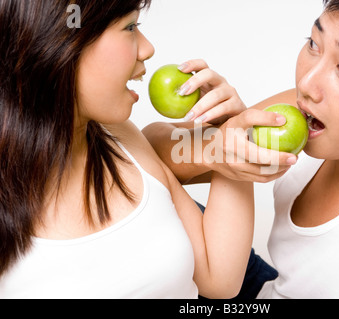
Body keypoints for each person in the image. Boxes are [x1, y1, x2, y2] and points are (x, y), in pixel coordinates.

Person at [143, 0, 339, 298]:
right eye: (314, 44)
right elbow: (147, 155)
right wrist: (225, 136)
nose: (306, 82)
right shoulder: (310, 114)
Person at [0, 0, 256, 299]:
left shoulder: (120, 137)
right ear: (63, 41)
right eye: (130, 26)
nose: (148, 49)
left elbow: (218, 280)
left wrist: (232, 133)